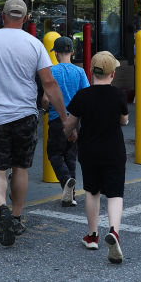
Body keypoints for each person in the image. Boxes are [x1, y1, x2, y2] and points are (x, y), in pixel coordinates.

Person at [0, 0, 76, 247]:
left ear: (2, 15)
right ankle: (16, 216)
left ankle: (1, 208)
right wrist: (64, 117)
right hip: (26, 115)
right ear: (26, 18)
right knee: (20, 168)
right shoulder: (34, 44)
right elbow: (49, 84)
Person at [64, 51, 130, 264]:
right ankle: (114, 232)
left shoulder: (82, 96)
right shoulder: (119, 95)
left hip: (89, 151)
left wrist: (70, 133)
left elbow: (69, 124)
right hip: (114, 150)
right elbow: (124, 121)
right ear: (112, 74)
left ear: (91, 71)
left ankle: (92, 236)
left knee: (92, 191)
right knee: (115, 193)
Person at [42, 36, 90, 207]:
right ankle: (71, 196)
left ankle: (66, 179)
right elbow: (86, 96)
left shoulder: (51, 72)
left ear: (55, 53)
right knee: (70, 156)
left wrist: (43, 109)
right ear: (72, 52)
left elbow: (46, 99)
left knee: (54, 154)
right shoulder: (80, 72)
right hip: (75, 121)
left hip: (57, 120)